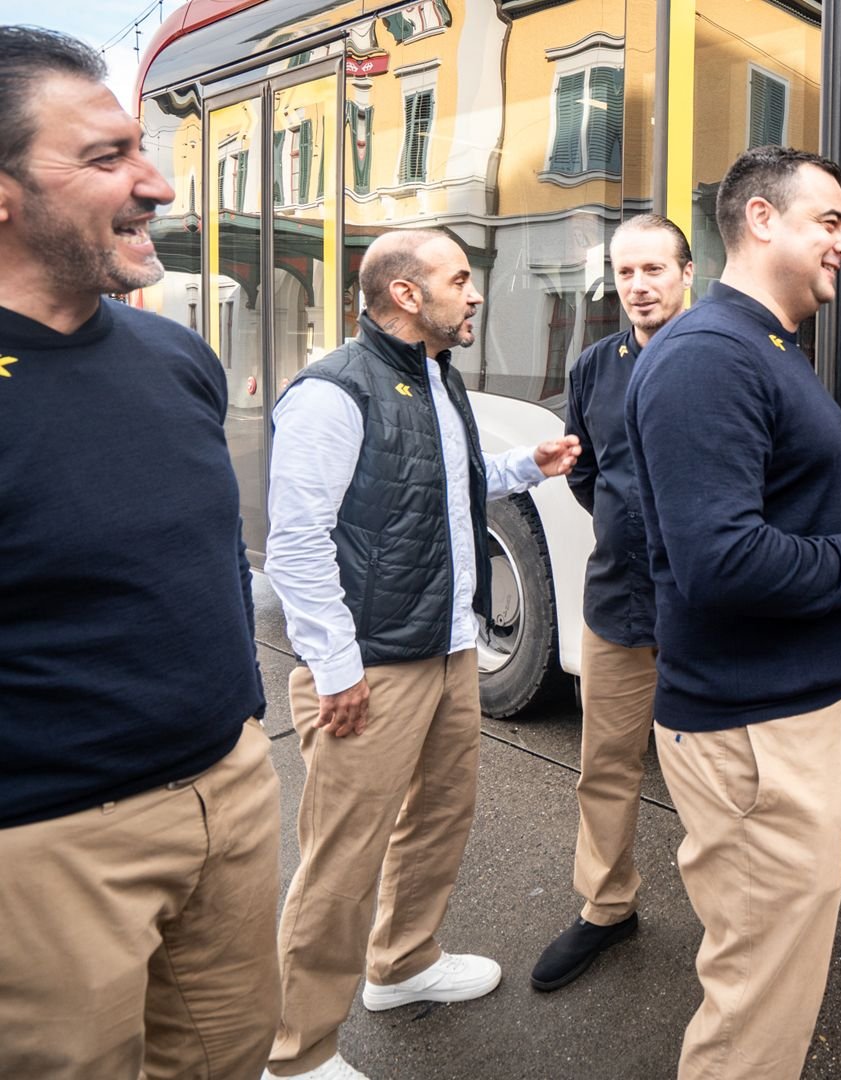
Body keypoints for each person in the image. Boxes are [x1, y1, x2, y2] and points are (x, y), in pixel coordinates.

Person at [627, 145, 841, 1080]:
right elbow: (718, 563)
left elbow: (773, 518)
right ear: (761, 221)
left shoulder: (761, 346)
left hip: (789, 716)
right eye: (831, 221)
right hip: (756, 732)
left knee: (773, 984)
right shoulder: (709, 358)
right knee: (757, 1008)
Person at [0, 26, 282, 1079]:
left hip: (236, 793)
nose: (156, 184)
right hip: (49, 853)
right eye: (106, 158)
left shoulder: (176, 355)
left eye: (143, 149)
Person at [262, 228, 581, 1080]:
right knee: (342, 857)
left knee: (440, 817)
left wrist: (528, 466)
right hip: (371, 667)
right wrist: (336, 668)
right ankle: (295, 1053)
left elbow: (443, 484)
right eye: (459, 280)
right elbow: (296, 546)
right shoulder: (332, 392)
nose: (474, 294)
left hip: (447, 649)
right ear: (406, 295)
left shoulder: (437, 377)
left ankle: (401, 965)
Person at [531, 214, 694, 991]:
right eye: (626, 272)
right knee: (605, 766)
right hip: (618, 604)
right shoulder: (596, 365)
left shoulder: (719, 359)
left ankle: (735, 926)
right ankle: (607, 906)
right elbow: (586, 472)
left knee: (720, 781)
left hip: (706, 611)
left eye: (654, 269)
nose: (639, 285)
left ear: (687, 273)